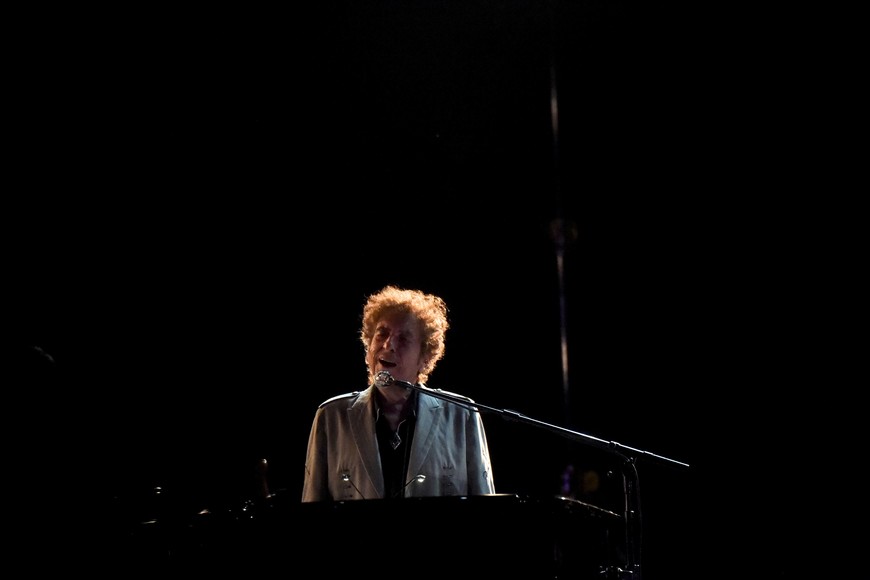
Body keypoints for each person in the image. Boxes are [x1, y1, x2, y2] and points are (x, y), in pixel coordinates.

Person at [301, 285, 495, 501]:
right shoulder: (331, 416)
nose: (388, 344)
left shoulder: (462, 414)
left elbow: (484, 510)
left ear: (425, 358)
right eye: (381, 333)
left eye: (403, 339)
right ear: (368, 346)